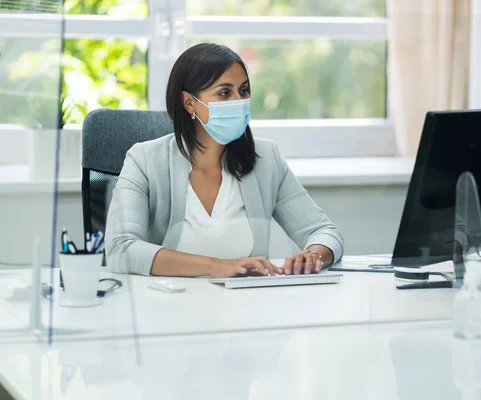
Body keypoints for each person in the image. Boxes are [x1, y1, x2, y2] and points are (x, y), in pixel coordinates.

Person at [105, 43, 344, 278]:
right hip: (168, 305)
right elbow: (121, 249)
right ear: (189, 103)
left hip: (247, 306)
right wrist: (215, 267)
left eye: (244, 90)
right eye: (224, 93)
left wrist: (314, 255)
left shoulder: (266, 158)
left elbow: (324, 232)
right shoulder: (144, 160)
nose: (238, 101)